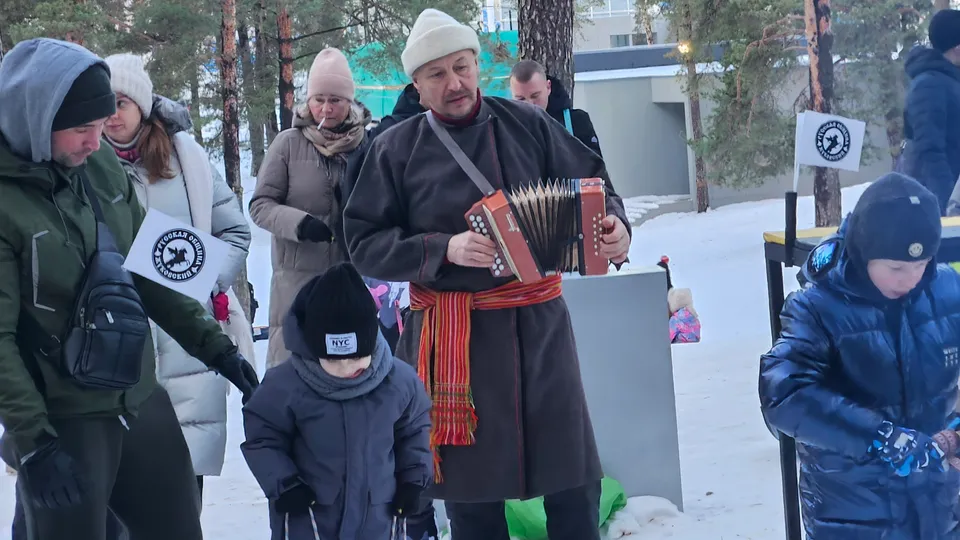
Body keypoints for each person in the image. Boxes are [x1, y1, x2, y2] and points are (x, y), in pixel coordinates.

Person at [343, 8, 632, 540]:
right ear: (417, 84)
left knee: (574, 483)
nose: (454, 83)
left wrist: (616, 228)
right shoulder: (394, 150)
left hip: (541, 331)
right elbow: (363, 244)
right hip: (456, 344)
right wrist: (442, 248)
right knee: (472, 500)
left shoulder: (528, 123)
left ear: (477, 65)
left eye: (462, 66)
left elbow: (594, 182)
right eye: (437, 74)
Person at [0, 38, 259, 540]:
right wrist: (33, 443)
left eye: (101, 125)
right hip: (63, 419)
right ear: (35, 119)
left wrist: (216, 347)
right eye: (81, 129)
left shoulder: (97, 168)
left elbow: (148, 269)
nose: (96, 142)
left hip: (139, 395)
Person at [759, 173, 960, 538]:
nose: (911, 279)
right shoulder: (817, 307)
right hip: (853, 515)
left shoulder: (947, 288)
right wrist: (879, 436)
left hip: (938, 509)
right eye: (896, 268)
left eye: (921, 265)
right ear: (863, 252)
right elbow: (783, 393)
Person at [103, 52, 255, 499]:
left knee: (182, 493)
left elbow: (234, 230)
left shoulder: (185, 159)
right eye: (102, 103)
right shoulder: (82, 164)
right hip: (117, 339)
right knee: (118, 491)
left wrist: (204, 280)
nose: (111, 115)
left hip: (188, 338)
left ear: (142, 105)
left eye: (121, 102)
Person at [241, 262, 432, 540]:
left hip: (378, 518)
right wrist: (284, 484)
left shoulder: (398, 382)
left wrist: (413, 480)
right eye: (333, 359)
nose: (346, 368)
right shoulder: (286, 385)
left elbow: (414, 432)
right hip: (310, 519)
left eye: (356, 357)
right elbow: (263, 439)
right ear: (312, 348)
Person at [250, 47, 372, 369]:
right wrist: (299, 223)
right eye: (319, 99)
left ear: (350, 101)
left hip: (352, 280)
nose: (326, 109)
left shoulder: (367, 145)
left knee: (347, 368)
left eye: (336, 100)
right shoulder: (288, 144)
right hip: (296, 280)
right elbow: (260, 205)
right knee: (295, 367)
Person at [901, 8, 960, 213]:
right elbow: (930, 151)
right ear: (957, 47)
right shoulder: (929, 85)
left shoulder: (950, 81)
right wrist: (946, 206)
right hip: (934, 202)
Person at [509, 59, 603, 157]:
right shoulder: (505, 129)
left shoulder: (577, 121)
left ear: (548, 87)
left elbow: (595, 169)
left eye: (535, 96)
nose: (530, 104)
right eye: (521, 99)